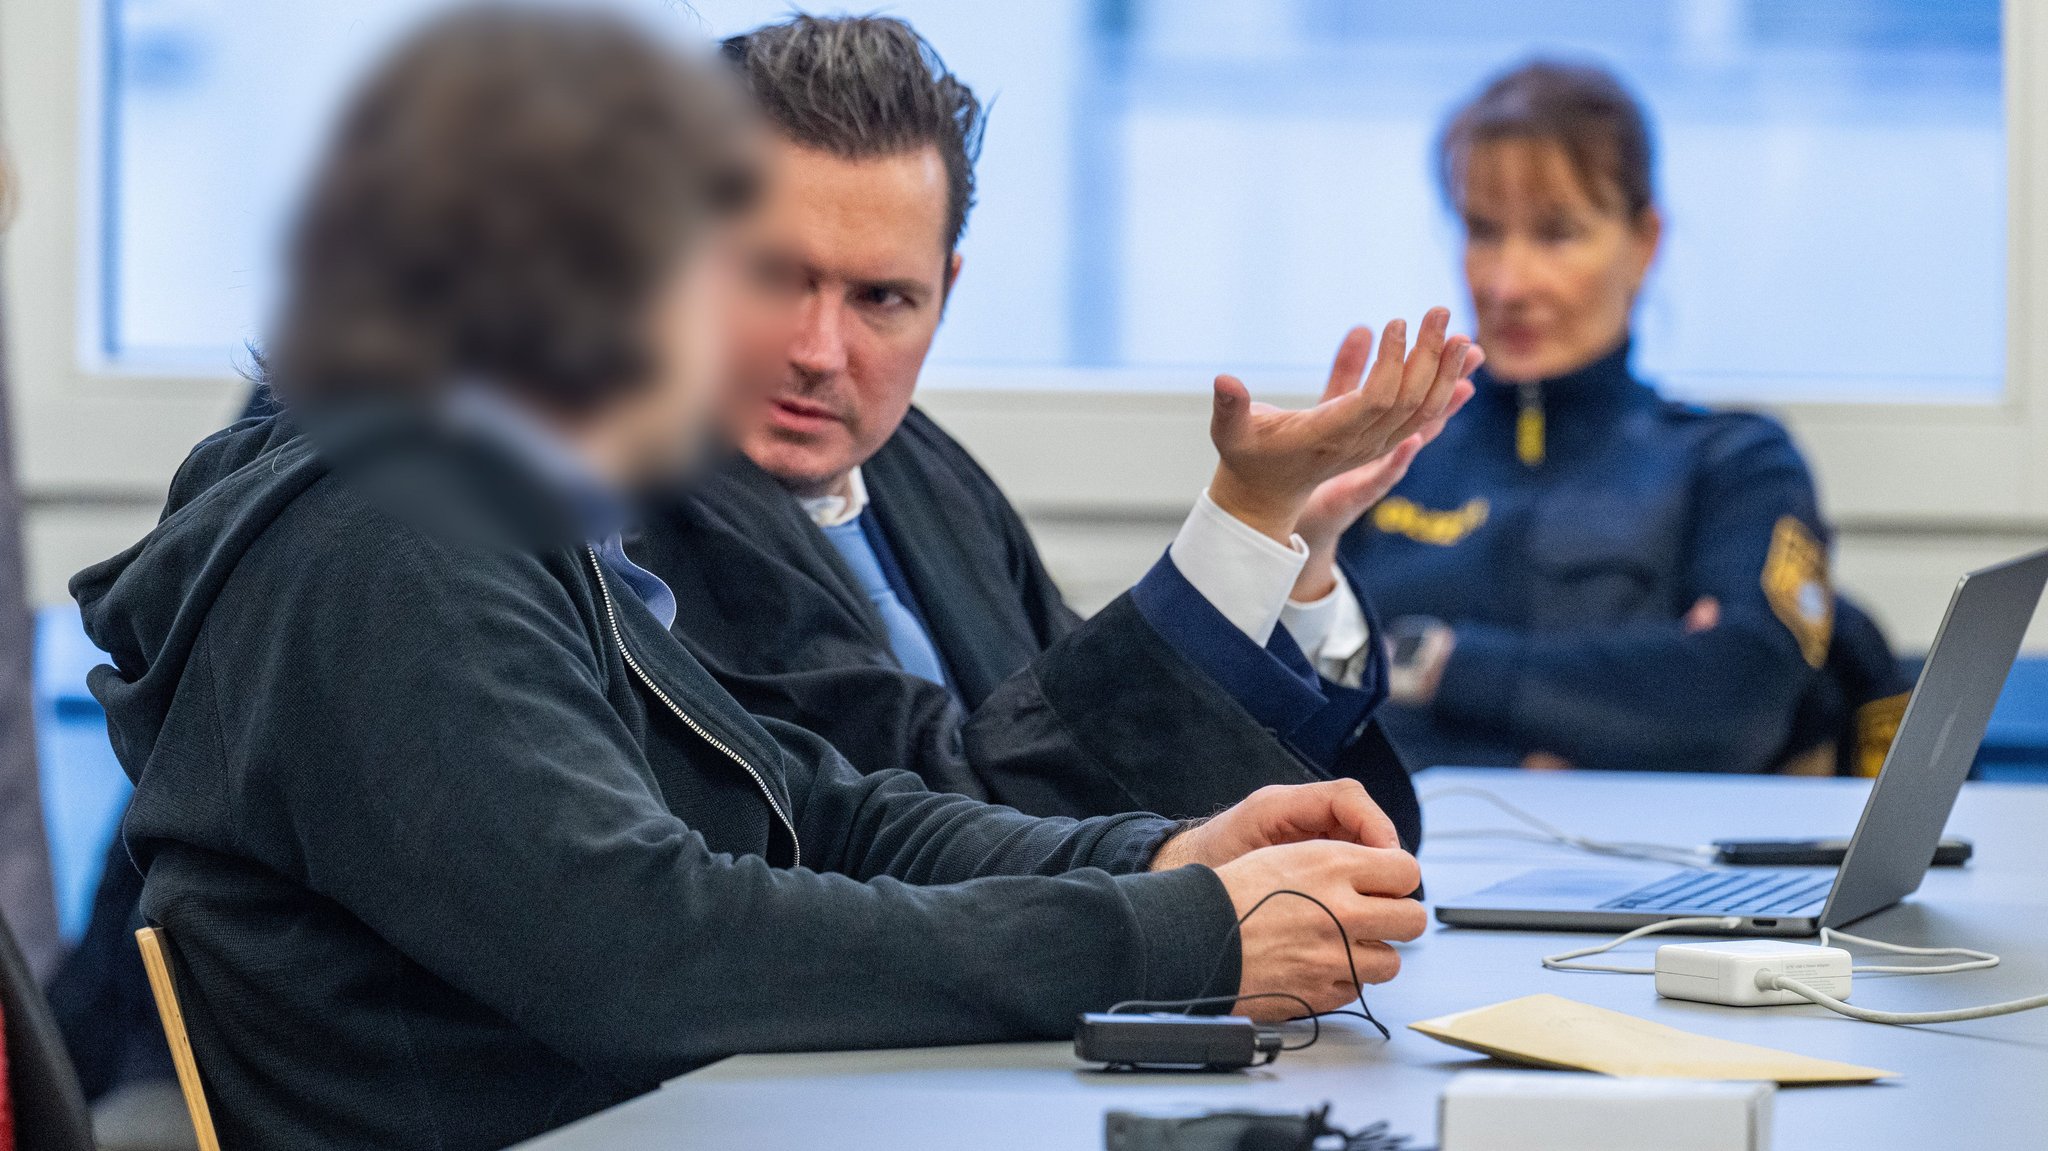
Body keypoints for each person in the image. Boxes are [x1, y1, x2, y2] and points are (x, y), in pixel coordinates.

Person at [73, 8, 1442, 1148]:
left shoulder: (511, 514)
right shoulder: (389, 544)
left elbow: (817, 806)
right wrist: (1175, 934)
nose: (785, 346)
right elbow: (645, 945)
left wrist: (1155, 857)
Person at [628, 15, 1474, 847]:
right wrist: (1244, 521)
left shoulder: (917, 464)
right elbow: (961, 824)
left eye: (882, 298)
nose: (819, 353)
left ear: (946, 292)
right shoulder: (636, 509)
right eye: (775, 276)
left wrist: (1294, 553)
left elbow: (1085, 729)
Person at [1346, 59, 1902, 775]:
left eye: (1556, 233)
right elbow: (1299, 725)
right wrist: (1613, 707)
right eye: (1483, 230)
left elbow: (1734, 702)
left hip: (1657, 882)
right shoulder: (1384, 463)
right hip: (1395, 876)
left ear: (1645, 243)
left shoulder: (1734, 462)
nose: (1506, 283)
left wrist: (1430, 662)